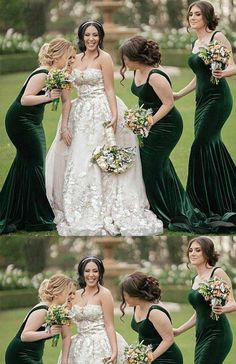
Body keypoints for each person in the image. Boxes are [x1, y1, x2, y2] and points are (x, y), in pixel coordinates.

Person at [45, 21, 163, 236]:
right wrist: (64, 125)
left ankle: (110, 205)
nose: (91, 39)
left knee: (103, 157)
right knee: (80, 159)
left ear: (100, 37)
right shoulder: (75, 59)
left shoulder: (105, 58)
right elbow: (67, 96)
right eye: (87, 35)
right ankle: (82, 205)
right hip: (79, 114)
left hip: (102, 111)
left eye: (95, 35)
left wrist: (115, 115)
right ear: (82, 37)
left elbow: (109, 88)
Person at [120, 35, 236, 233]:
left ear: (137, 57)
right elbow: (145, 100)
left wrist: (150, 121)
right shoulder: (138, 71)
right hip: (149, 125)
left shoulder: (155, 75)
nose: (123, 62)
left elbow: (168, 103)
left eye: (125, 58)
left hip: (166, 126)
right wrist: (137, 119)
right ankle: (167, 207)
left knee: (152, 169)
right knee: (157, 168)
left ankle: (169, 211)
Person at [0, 38, 74, 235]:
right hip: (21, 121)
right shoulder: (42, 73)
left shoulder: (52, 73)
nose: (68, 61)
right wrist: (49, 97)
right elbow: (25, 99)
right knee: (36, 164)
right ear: (58, 56)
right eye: (67, 57)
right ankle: (37, 217)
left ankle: (17, 213)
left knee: (25, 164)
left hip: (32, 121)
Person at [174, 1, 236, 228]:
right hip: (201, 100)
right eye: (190, 14)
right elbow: (199, 75)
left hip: (218, 99)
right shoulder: (195, 42)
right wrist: (180, 93)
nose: (192, 17)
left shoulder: (217, 37)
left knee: (200, 143)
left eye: (197, 14)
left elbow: (233, 66)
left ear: (207, 16)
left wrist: (222, 71)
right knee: (211, 144)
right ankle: (225, 197)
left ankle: (204, 201)